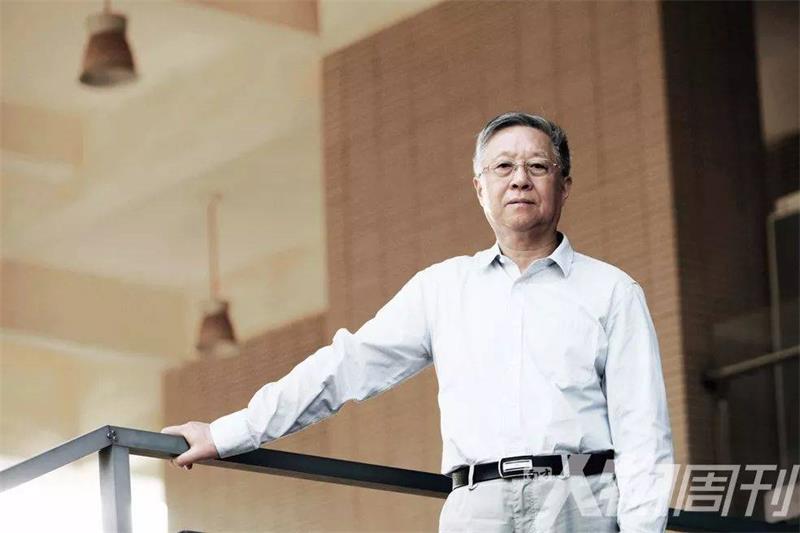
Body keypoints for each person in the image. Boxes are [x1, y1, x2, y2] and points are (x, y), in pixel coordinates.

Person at [163, 112, 674, 532]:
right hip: (476, 508)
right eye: (503, 166)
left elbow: (644, 434)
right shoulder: (442, 288)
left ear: (564, 185)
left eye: (537, 166)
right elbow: (346, 366)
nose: (520, 178)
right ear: (479, 188)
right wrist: (228, 433)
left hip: (580, 503)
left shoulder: (612, 292)